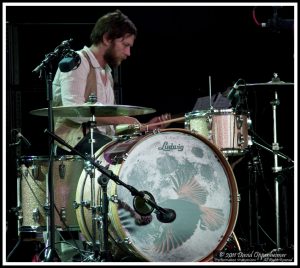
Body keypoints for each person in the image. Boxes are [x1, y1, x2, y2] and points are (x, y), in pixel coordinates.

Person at [52, 10, 171, 155]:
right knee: (129, 155)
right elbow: (74, 111)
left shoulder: (107, 73)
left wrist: (145, 127)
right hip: (73, 146)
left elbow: (110, 126)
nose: (128, 53)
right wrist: (121, 118)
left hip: (100, 143)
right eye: (125, 45)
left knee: (143, 149)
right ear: (107, 38)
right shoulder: (78, 61)